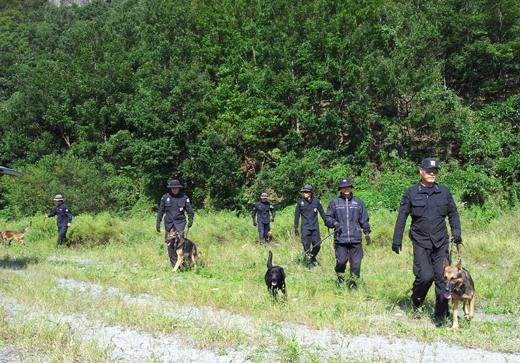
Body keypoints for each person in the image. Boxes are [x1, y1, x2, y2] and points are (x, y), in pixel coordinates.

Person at [392, 158, 461, 323]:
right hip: (420, 241)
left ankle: (440, 315)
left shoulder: (444, 191)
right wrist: (397, 239)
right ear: (421, 171)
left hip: (440, 242)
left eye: (435, 171)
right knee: (424, 277)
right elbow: (402, 217)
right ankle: (416, 302)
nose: (432, 174)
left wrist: (456, 233)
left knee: (442, 277)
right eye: (429, 171)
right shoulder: (411, 192)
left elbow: (453, 213)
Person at [325, 178, 371, 290]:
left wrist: (367, 233)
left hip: (355, 238)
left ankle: (353, 284)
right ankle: (340, 278)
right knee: (341, 261)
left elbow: (364, 219)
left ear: (351, 188)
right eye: (344, 187)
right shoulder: (334, 203)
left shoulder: (358, 203)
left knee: (356, 263)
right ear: (340, 189)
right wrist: (334, 223)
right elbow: (327, 218)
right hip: (340, 238)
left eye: (348, 186)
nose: (346, 189)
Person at [156, 179, 194, 269]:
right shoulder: (165, 197)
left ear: (179, 188)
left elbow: (190, 211)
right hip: (169, 224)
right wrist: (158, 222)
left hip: (180, 224)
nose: (174, 190)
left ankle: (181, 265)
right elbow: (160, 211)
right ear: (171, 188)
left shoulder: (184, 198)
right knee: (170, 245)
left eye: (176, 188)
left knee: (180, 244)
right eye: (173, 188)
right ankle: (175, 265)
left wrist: (190, 220)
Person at [294, 185, 326, 269]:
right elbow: (297, 215)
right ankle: (310, 263)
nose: (305, 193)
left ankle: (312, 257)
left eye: (306, 192)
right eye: (304, 192)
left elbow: (323, 213)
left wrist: (328, 222)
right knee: (306, 245)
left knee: (318, 244)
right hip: (305, 227)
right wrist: (295, 227)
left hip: (315, 227)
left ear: (311, 193)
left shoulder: (316, 202)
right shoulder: (300, 202)